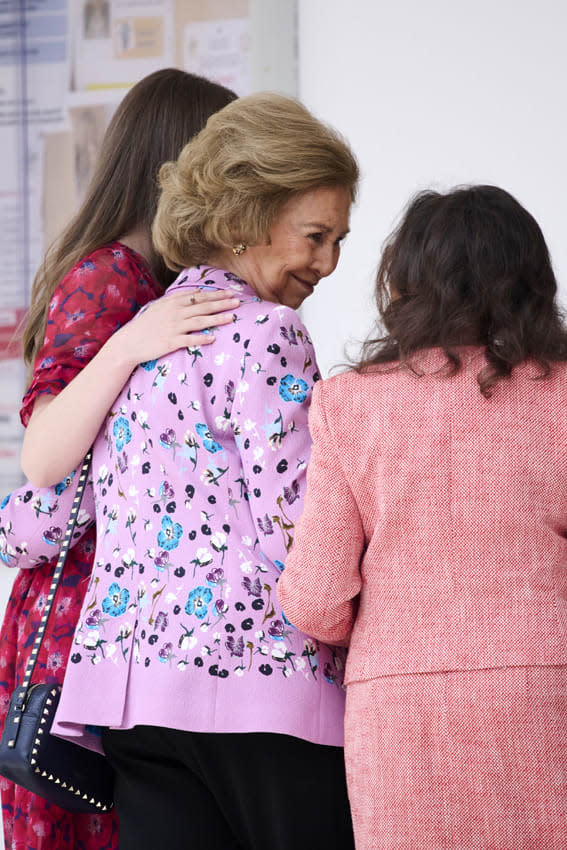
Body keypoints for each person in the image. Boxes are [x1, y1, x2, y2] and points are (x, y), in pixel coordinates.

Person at [1, 92, 359, 850]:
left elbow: (31, 517)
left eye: (337, 241)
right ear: (246, 217)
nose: (327, 264)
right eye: (314, 236)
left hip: (128, 698)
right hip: (260, 692)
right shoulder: (268, 333)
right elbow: (295, 532)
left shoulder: (137, 332)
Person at [277, 185, 567, 849]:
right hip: (546, 682)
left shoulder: (349, 406)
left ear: (405, 282)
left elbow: (317, 598)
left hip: (401, 701)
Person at [0, 68, 237, 850]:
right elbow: (43, 453)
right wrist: (132, 343)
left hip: (115, 605)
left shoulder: (152, 279)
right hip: (76, 606)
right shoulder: (110, 277)